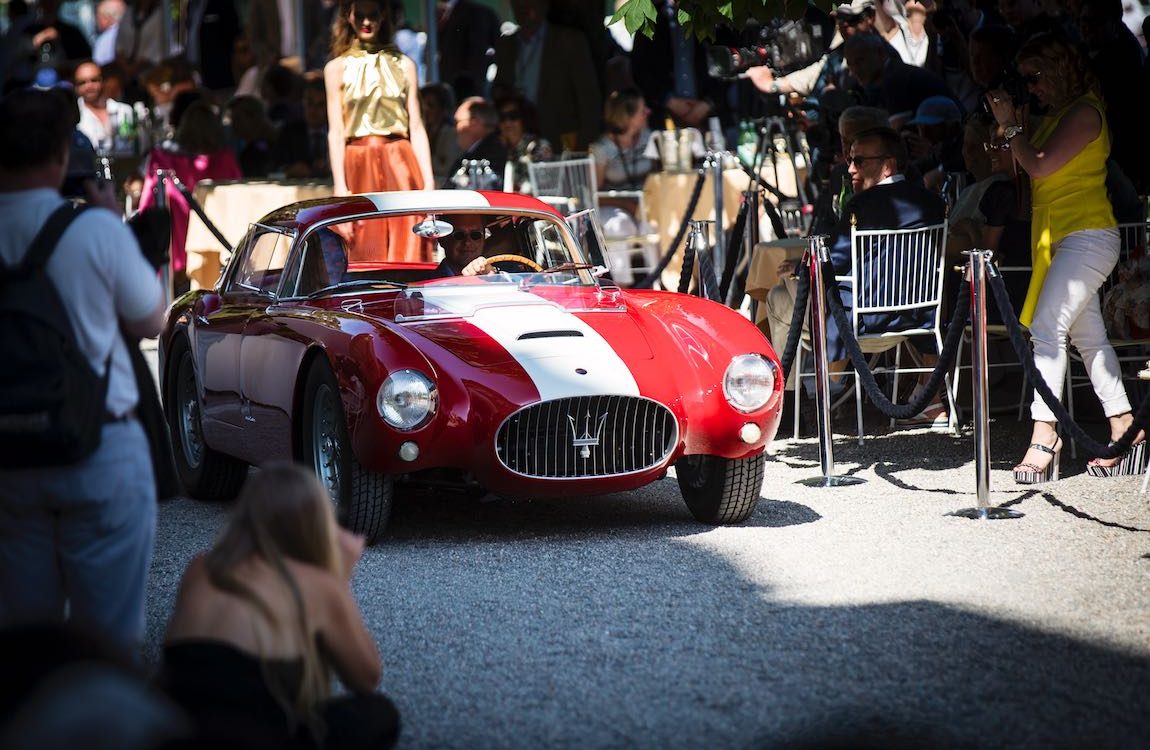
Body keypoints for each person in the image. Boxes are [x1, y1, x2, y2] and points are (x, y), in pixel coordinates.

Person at [0, 88, 164, 657]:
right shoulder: (92, 229)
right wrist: (111, 223)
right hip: (98, 443)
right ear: (57, 155)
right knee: (110, 640)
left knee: (24, 643)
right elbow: (151, 318)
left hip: (9, 459)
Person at [986, 32, 1143, 482]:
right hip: (1056, 238)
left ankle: (1045, 432)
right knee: (1087, 338)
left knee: (1046, 328)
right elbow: (1018, 169)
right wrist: (1005, 128)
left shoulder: (1086, 113)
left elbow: (1038, 165)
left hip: (1088, 234)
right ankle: (1124, 425)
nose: (1031, 87)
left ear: (1060, 70)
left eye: (1035, 77)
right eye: (1026, 79)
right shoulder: (1055, 116)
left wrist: (1013, 128)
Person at [159, 461, 399, 749]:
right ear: (315, 524)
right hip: (258, 738)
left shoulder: (201, 567)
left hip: (181, 733)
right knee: (379, 714)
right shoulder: (316, 583)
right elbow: (366, 678)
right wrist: (338, 579)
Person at [825, 125, 949, 425]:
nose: (851, 169)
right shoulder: (934, 203)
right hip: (923, 315)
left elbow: (836, 261)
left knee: (787, 294)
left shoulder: (860, 205)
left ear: (887, 166)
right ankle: (931, 399)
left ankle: (822, 391)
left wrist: (802, 266)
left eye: (860, 162)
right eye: (850, 160)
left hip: (868, 319)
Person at [325, 0, 434, 263]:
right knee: (363, 243)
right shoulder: (336, 68)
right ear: (348, 17)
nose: (366, 22)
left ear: (383, 16)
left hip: (400, 158)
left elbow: (416, 126)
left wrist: (428, 183)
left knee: (408, 237)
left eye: (372, 15)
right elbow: (336, 131)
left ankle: (411, 300)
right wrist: (340, 184)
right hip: (358, 160)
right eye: (360, 15)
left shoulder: (404, 64)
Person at [137, 98, 242, 294]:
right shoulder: (225, 158)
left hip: (175, 245)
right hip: (214, 244)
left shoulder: (162, 159)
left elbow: (147, 205)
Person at [492, 0, 602, 153]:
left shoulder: (569, 41)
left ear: (544, 4)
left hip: (562, 144)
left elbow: (589, 101)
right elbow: (499, 92)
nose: (524, 8)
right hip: (519, 144)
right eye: (517, 3)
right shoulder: (507, 45)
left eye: (529, 3)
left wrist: (581, 149)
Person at [74, 59, 136, 154]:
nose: (89, 86)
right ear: (76, 87)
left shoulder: (124, 111)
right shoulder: (72, 115)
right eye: (82, 82)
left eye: (94, 80)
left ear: (103, 81)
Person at [443, 95, 506, 188]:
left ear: (474, 122)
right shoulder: (481, 151)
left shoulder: (489, 156)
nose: (455, 129)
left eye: (458, 122)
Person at [495, 91, 552, 193]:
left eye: (513, 116)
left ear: (524, 118)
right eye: (503, 118)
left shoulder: (538, 146)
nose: (507, 122)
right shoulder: (500, 148)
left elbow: (544, 185)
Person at [420, 82, 462, 185]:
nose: (425, 110)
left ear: (443, 109)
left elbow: (446, 168)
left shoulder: (450, 134)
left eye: (431, 105)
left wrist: (420, 153)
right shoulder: (421, 132)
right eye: (422, 105)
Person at [431, 213, 498, 277]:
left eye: (475, 235)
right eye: (459, 235)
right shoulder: (426, 285)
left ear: (483, 238)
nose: (467, 242)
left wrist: (494, 277)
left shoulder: (499, 277)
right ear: (442, 239)